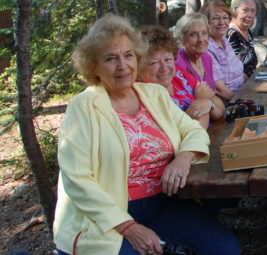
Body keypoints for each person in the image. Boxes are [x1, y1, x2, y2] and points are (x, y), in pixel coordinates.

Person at [53, 14, 240, 255]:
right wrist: (130, 228)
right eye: (111, 59)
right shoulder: (84, 107)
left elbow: (193, 129)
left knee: (224, 248)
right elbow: (77, 180)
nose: (123, 66)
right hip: (109, 217)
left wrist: (185, 157)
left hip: (164, 204)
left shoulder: (153, 94)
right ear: (94, 65)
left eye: (128, 55)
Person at [138, 25, 225, 129]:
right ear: (138, 67)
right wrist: (203, 101)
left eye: (168, 60)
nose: (164, 68)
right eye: (154, 63)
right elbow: (190, 132)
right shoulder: (144, 95)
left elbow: (221, 108)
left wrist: (207, 103)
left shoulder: (179, 75)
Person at [174, 12, 228, 99]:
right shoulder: (178, 64)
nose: (201, 39)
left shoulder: (207, 58)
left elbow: (212, 93)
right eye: (193, 34)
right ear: (182, 38)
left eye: (204, 33)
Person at [202, 0, 245, 99]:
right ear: (205, 21)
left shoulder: (224, 40)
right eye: (215, 18)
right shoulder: (206, 48)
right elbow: (219, 89)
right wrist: (240, 102)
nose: (222, 22)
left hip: (242, 91)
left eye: (225, 17)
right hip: (229, 101)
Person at [226, 0, 258, 78]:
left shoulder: (247, 31)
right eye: (245, 10)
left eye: (253, 11)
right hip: (240, 87)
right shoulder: (232, 34)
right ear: (234, 10)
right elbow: (233, 72)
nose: (250, 15)